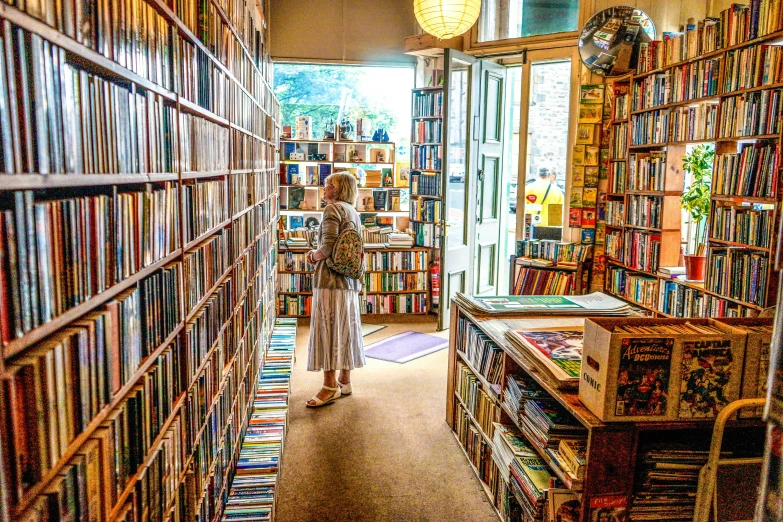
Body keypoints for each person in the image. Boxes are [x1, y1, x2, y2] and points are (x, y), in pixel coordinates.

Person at [304, 172, 366, 407]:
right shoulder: (352, 211)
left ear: (338, 190)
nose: (324, 187)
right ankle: (345, 380)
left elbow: (327, 248)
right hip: (349, 280)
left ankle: (329, 386)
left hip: (330, 281)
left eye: (329, 184)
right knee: (345, 329)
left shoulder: (332, 210)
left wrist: (312, 256)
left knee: (327, 330)